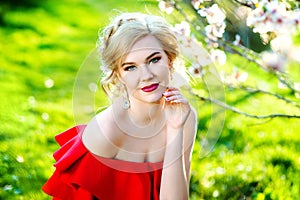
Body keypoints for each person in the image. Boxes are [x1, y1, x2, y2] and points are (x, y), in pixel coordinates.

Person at [42, 12, 197, 200]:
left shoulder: (184, 116)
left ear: (170, 61)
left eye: (154, 59)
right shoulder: (106, 132)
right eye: (130, 67)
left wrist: (175, 130)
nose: (146, 75)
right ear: (118, 75)